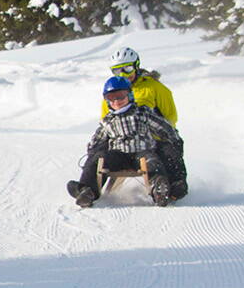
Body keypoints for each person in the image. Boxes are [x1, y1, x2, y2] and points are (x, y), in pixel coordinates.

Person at [68, 76, 188, 207]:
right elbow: (96, 141)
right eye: (111, 98)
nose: (116, 101)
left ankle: (159, 188)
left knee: (152, 161)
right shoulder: (108, 121)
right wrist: (94, 152)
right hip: (118, 155)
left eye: (120, 96)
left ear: (130, 95)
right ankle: (86, 190)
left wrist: (175, 142)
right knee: (99, 159)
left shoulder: (142, 113)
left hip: (142, 152)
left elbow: (163, 127)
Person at [101, 45, 177, 127]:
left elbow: (171, 116)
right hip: (123, 138)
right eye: (117, 71)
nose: (123, 74)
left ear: (136, 66)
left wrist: (159, 135)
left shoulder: (153, 86)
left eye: (128, 68)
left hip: (151, 137)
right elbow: (105, 122)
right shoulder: (111, 94)